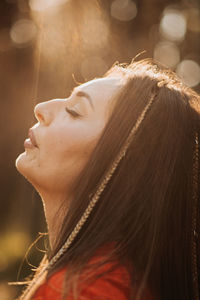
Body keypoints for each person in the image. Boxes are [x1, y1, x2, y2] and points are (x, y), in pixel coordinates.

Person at [15, 58, 200, 300]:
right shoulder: (117, 278)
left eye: (74, 111)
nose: (41, 108)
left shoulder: (84, 290)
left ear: (123, 166)